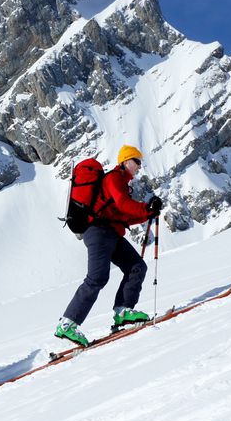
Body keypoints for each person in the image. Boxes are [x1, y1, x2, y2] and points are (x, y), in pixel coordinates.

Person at [56, 145, 162, 347]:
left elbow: (122, 217)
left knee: (136, 266)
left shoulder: (122, 183)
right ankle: (68, 323)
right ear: (124, 161)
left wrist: (148, 213)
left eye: (140, 162)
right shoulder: (113, 178)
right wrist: (146, 207)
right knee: (97, 277)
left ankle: (123, 312)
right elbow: (123, 204)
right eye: (136, 161)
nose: (139, 166)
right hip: (98, 231)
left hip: (111, 232)